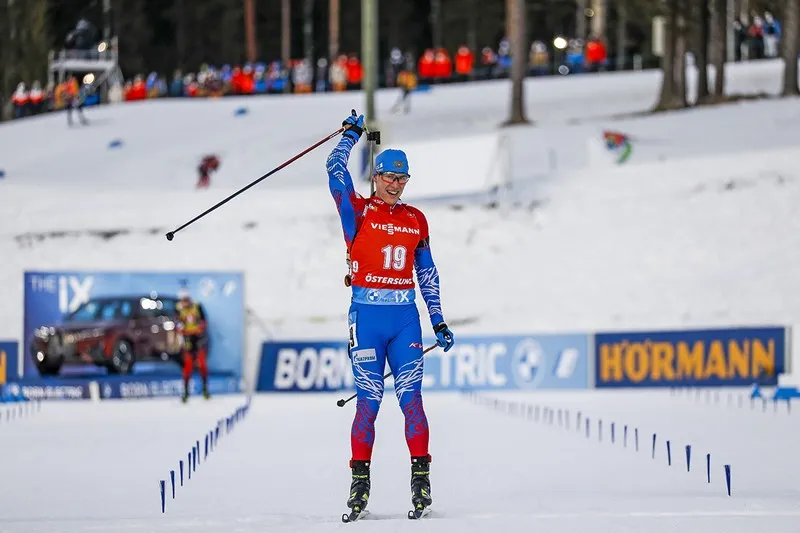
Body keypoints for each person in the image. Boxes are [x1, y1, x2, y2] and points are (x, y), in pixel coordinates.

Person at [326, 112, 455, 518]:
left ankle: (421, 479)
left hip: (404, 321)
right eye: (389, 177)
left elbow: (427, 273)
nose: (396, 185)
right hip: (366, 318)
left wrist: (437, 319)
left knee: (411, 400)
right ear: (377, 176)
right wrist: (349, 136)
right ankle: (359, 483)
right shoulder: (358, 212)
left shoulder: (416, 219)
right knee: (368, 403)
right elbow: (333, 171)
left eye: (403, 179)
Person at [176, 289, 210, 402]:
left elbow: (204, 322)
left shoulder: (197, 306)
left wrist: (199, 329)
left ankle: (205, 389)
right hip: (188, 339)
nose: (185, 303)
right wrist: (183, 331)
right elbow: (177, 324)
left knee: (202, 363)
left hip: (199, 338)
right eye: (183, 300)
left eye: (186, 300)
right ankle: (185, 392)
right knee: (188, 365)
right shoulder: (178, 308)